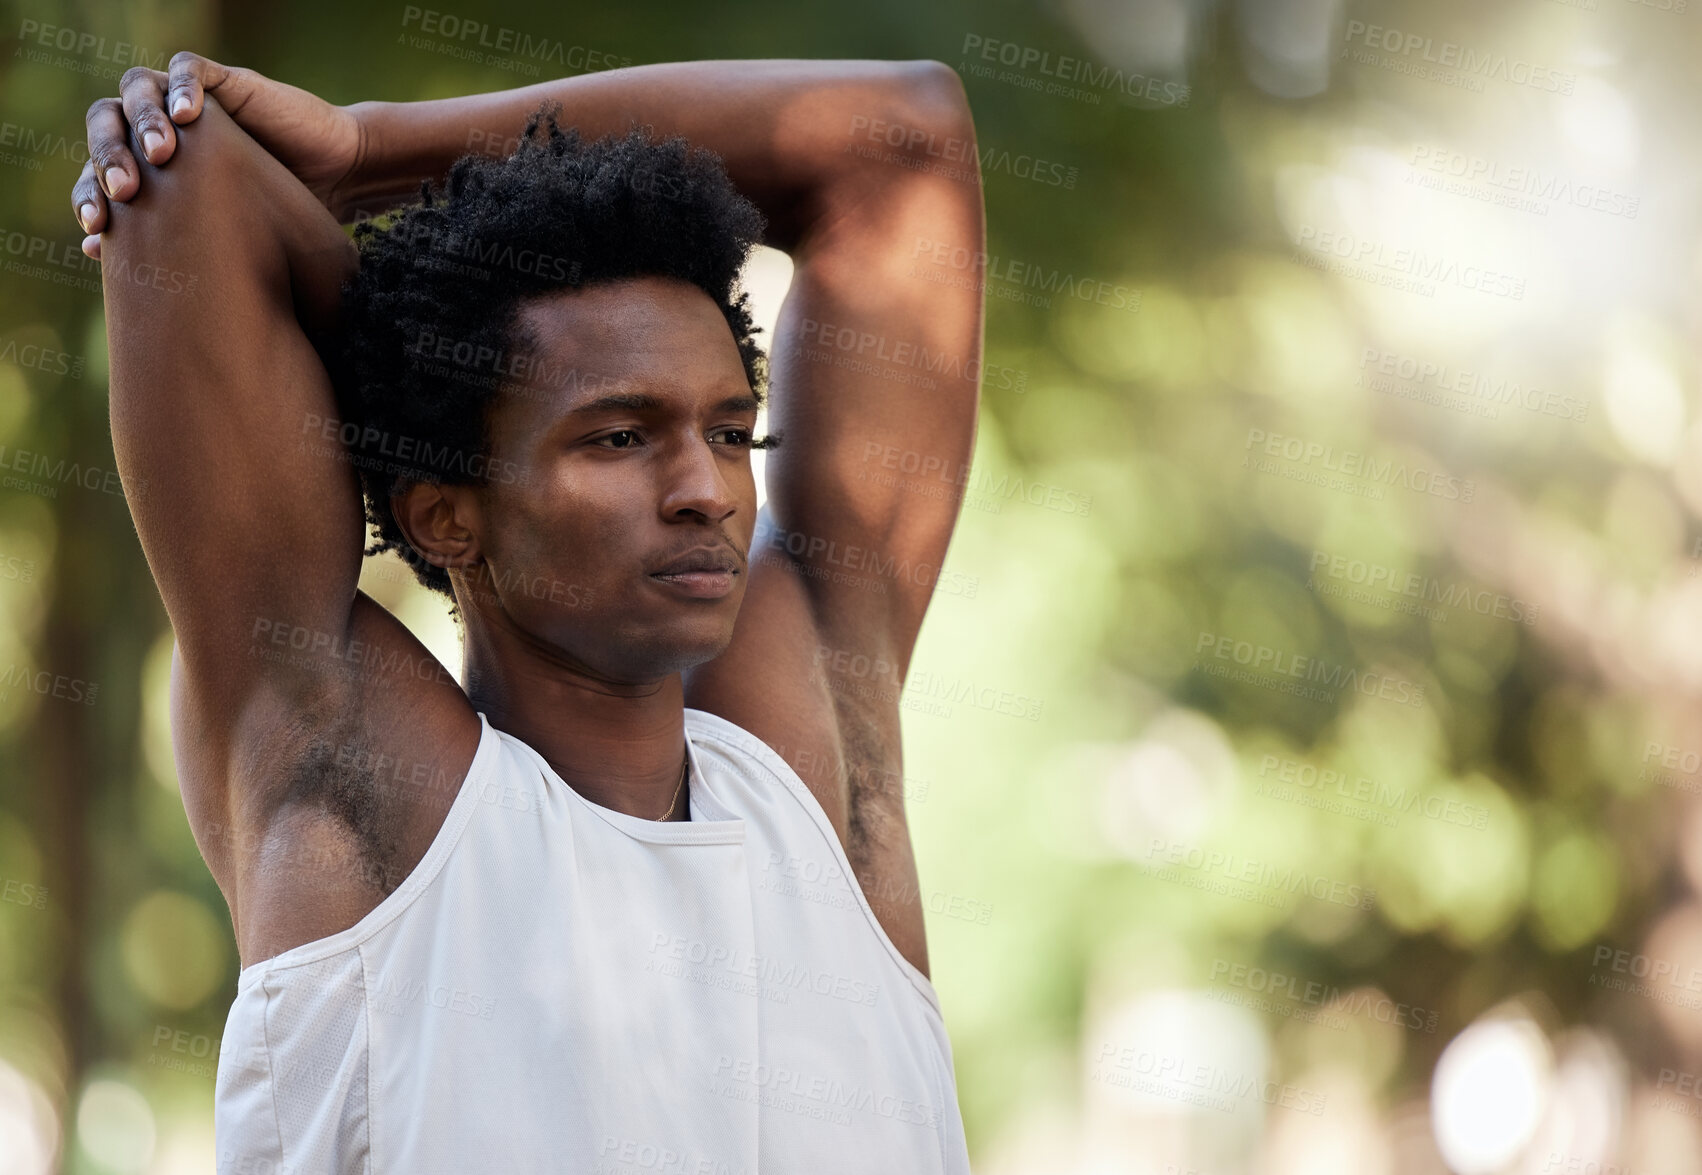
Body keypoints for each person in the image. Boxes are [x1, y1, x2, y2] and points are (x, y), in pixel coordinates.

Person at [74, 49, 984, 1173]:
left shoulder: (818, 790)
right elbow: (191, 176)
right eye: (616, 434)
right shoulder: (364, 794)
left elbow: (900, 136)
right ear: (446, 517)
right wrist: (418, 358)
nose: (706, 489)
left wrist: (371, 148)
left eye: (728, 429)